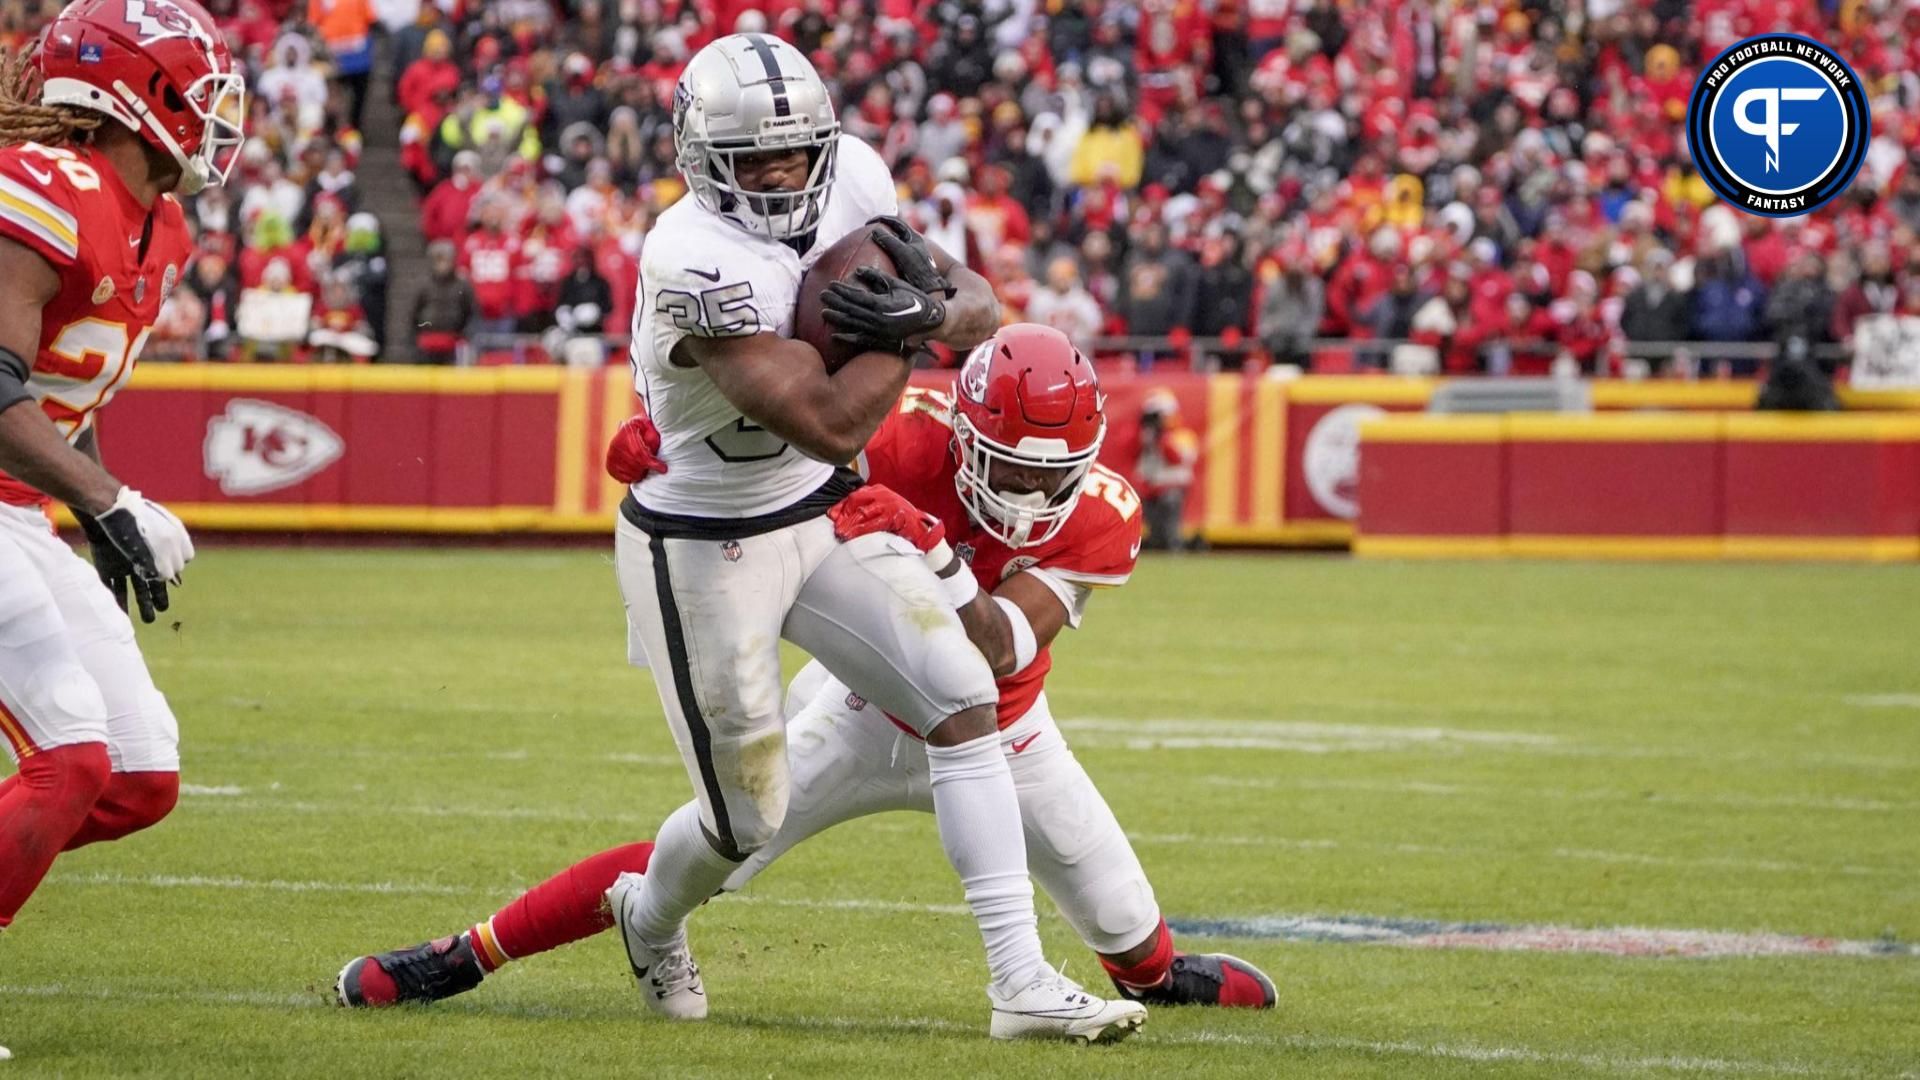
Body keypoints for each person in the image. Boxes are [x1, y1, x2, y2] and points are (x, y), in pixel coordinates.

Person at [339, 34, 1144, 1044]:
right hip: (706, 533)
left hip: (814, 505)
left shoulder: (853, 177)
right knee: (744, 821)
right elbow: (829, 417)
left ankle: (1020, 984)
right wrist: (907, 328)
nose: (779, 175)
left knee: (964, 698)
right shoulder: (690, 256)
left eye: (795, 152)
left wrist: (926, 303)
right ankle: (651, 916)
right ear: (698, 158)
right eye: (751, 158)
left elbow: (974, 307)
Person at [334, 327, 1276, 1016]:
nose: (1031, 494)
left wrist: (937, 554)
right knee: (712, 845)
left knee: (1130, 930)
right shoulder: (898, 437)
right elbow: (749, 455)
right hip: (867, 704)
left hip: (1005, 730)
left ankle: (1154, 976)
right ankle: (467, 955)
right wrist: (669, 457)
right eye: (1010, 469)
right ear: (962, 434)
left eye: (1051, 475)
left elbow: (1000, 654)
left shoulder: (1104, 511)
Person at [0, 0, 243, 1056]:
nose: (213, 115)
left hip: (17, 507)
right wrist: (106, 501)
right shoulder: (46, 190)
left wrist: (101, 516)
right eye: (193, 90)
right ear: (125, 96)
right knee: (70, 760)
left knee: (138, 773)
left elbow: (57, 406)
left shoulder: (159, 219)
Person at [1135, 389, 1196, 550]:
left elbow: (1177, 458)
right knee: (1153, 530)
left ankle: (1175, 545)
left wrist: (1162, 438)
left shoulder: (1182, 435)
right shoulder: (1147, 437)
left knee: (1170, 527)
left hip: (1172, 489)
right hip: (1152, 489)